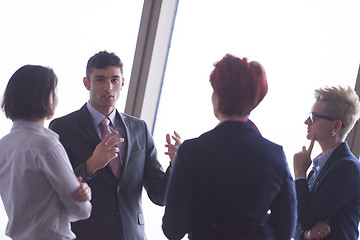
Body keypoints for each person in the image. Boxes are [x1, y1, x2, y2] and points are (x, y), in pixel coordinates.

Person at [162, 54, 297, 240]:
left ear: (217, 96)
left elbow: (173, 229)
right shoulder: (274, 154)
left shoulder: (192, 151)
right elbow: (285, 230)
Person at [49, 50, 181, 240]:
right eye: (100, 80)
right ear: (87, 83)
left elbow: (159, 196)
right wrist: (90, 166)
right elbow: (55, 190)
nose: (108, 87)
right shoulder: (63, 127)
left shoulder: (139, 129)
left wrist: (175, 166)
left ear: (123, 82)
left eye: (114, 80)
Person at [0, 65, 92, 240]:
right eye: (54, 90)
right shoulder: (46, 145)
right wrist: (84, 195)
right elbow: (80, 210)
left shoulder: (3, 145)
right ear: (47, 97)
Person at [293, 85, 360, 240]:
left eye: (314, 117)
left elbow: (305, 219)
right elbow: (294, 221)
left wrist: (299, 173)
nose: (306, 121)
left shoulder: (347, 169)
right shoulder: (318, 166)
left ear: (335, 126)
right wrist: (307, 235)